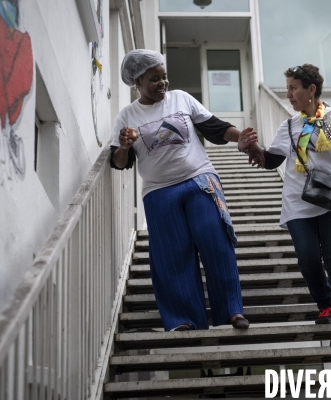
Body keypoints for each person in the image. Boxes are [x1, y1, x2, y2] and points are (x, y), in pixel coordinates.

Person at [110, 49, 265, 331]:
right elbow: (119, 162)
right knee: (172, 255)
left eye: (164, 76)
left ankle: (231, 310)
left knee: (216, 242)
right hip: (158, 192)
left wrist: (241, 138)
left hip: (199, 179)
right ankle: (183, 318)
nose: (162, 83)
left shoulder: (181, 98)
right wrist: (123, 146)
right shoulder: (127, 116)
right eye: (154, 79)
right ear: (138, 82)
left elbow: (215, 127)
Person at [240, 64, 331, 345]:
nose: (288, 94)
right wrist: (251, 148)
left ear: (311, 90)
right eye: (287, 88)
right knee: (307, 257)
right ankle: (325, 303)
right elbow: (272, 161)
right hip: (299, 202)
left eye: (293, 88)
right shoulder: (290, 126)